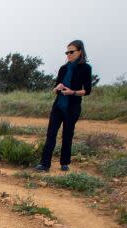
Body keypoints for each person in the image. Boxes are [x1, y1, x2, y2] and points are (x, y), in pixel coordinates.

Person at [36, 40, 93, 172]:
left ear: (80, 52)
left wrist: (72, 92)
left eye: (71, 52)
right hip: (58, 106)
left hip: (72, 107)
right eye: (67, 52)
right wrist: (57, 88)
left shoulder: (86, 68)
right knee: (51, 134)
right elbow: (55, 88)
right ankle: (44, 164)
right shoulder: (63, 68)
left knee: (67, 135)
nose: (68, 54)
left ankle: (64, 163)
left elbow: (87, 91)